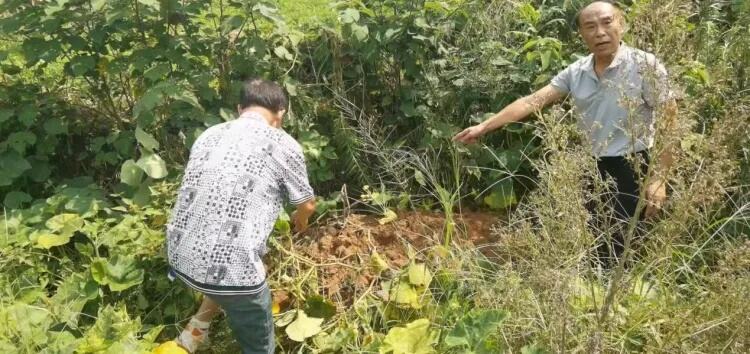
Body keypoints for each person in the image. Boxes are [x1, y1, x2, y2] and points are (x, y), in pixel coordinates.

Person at [453, 0, 677, 263]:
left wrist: (659, 180)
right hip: (591, 166)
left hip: (634, 165)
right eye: (590, 26)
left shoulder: (644, 65)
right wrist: (484, 126)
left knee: (625, 246)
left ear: (622, 25)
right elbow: (533, 101)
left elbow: (670, 121)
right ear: (582, 34)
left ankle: (620, 298)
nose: (600, 32)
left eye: (607, 22)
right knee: (592, 240)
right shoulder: (578, 71)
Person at [165, 78, 317, 353]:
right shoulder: (283, 143)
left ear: (239, 108)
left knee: (225, 264)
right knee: (241, 284)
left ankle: (191, 337)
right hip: (232, 273)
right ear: (281, 112)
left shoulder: (209, 134)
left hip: (181, 258)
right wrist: (301, 222)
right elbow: (307, 204)